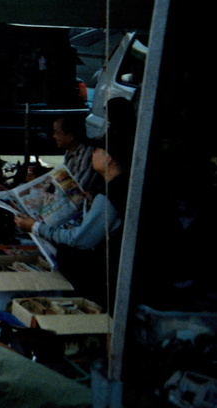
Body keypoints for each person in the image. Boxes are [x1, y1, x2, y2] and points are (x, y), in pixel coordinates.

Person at [15, 124, 130, 306]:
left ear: (108, 159)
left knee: (68, 255)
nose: (93, 153)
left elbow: (81, 239)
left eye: (98, 150)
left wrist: (36, 227)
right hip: (119, 261)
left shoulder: (113, 192)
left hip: (115, 269)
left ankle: (95, 304)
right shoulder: (119, 186)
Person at [51, 113, 102, 195]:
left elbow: (79, 186)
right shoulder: (70, 151)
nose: (54, 136)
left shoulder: (88, 154)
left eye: (57, 133)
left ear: (70, 136)